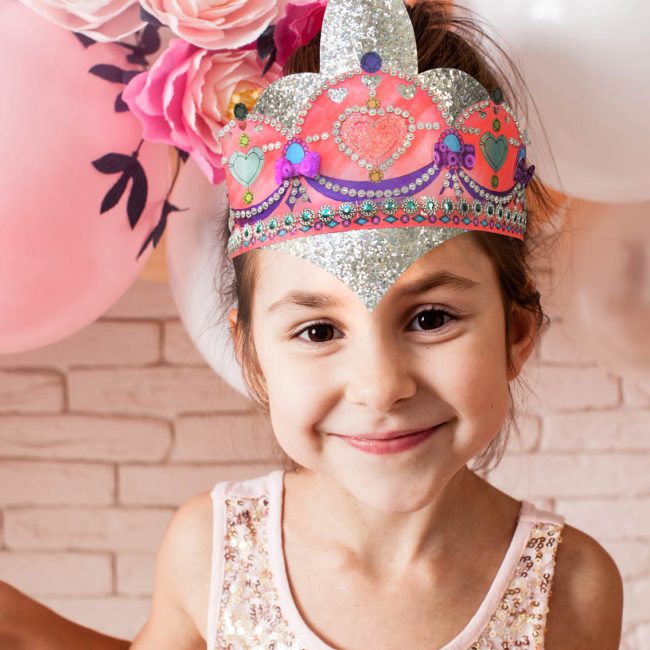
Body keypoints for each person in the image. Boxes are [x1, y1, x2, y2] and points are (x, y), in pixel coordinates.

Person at [0, 0, 624, 648]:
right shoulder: (209, 554)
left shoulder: (571, 588)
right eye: (319, 331)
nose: (380, 386)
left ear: (516, 335)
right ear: (253, 359)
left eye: (431, 318)